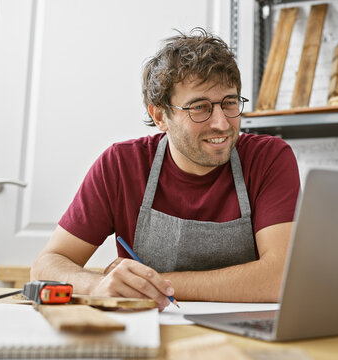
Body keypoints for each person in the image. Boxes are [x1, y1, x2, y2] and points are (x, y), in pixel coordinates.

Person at [31, 28, 300, 310]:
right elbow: (47, 265)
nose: (221, 123)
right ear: (160, 116)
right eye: (200, 107)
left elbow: (280, 277)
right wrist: (98, 285)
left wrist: (153, 284)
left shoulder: (269, 158)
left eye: (229, 103)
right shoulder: (121, 166)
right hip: (149, 330)